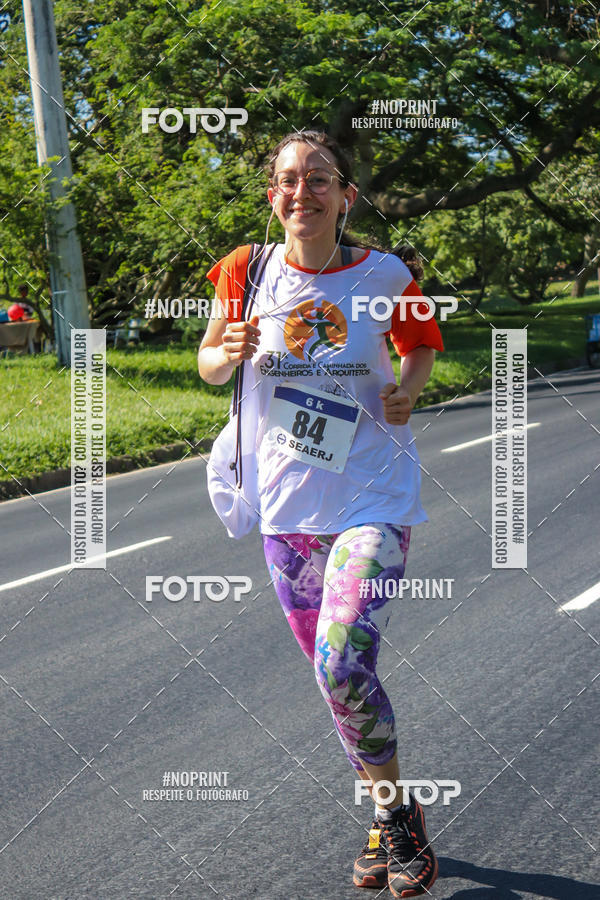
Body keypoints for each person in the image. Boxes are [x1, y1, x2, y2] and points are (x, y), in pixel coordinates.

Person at [198, 130, 444, 898]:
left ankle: (400, 826)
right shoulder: (246, 271)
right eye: (285, 181)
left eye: (317, 179)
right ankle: (389, 809)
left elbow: (422, 344)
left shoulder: (389, 273)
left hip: (372, 493)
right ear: (272, 196)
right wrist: (226, 350)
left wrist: (408, 386)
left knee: (342, 658)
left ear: (345, 195)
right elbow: (207, 365)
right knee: (335, 679)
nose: (299, 192)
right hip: (287, 507)